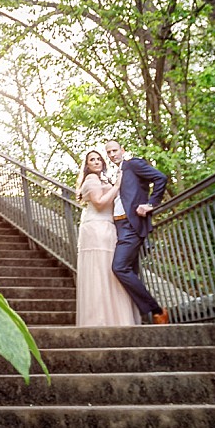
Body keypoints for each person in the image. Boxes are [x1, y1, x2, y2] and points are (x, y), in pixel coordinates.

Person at [101, 137, 170, 324]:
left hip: (131, 225)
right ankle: (139, 317)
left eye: (114, 150)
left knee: (119, 267)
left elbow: (160, 178)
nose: (112, 154)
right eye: (108, 152)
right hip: (118, 226)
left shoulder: (133, 165)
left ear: (122, 150)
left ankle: (156, 311)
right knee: (130, 270)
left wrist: (150, 204)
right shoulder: (118, 173)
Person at [74, 149, 139, 327]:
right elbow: (100, 202)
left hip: (107, 227)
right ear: (87, 165)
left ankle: (117, 318)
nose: (96, 162)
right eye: (91, 160)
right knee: (100, 272)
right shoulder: (91, 179)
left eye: (98, 159)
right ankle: (100, 320)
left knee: (109, 271)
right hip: (96, 229)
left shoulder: (102, 179)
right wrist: (117, 186)